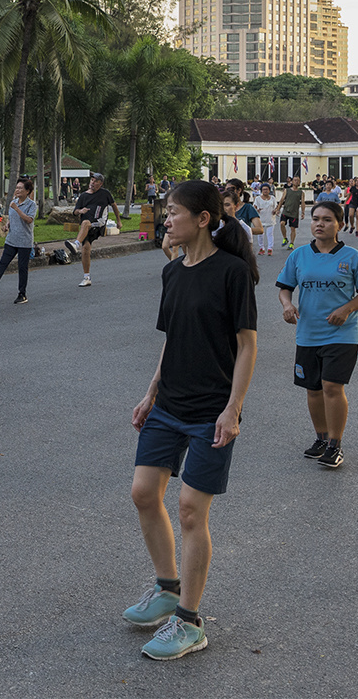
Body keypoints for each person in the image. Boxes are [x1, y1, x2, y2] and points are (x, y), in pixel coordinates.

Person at [122, 180, 258, 661]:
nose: (166, 220)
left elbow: (247, 344)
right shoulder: (173, 273)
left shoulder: (232, 272)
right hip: (169, 404)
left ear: (202, 218)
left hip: (211, 410)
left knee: (190, 511)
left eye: (174, 212)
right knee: (143, 493)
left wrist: (233, 407)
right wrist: (150, 391)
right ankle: (165, 589)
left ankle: (189, 621)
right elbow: (171, 339)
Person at [275, 201, 358, 470]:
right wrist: (287, 304)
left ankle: (335, 444)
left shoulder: (353, 257)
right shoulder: (299, 256)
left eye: (327, 219)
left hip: (343, 332)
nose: (320, 224)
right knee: (313, 388)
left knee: (332, 386)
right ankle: (320, 438)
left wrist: (347, 308)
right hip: (308, 332)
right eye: (316, 218)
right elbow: (285, 287)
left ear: (339, 225)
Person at [0, 177, 40, 303]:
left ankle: (22, 294)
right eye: (16, 188)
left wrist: (17, 209)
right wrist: (8, 225)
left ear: (27, 191)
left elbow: (29, 220)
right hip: (11, 239)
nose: (17, 190)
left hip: (24, 241)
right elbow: (11, 218)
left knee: (22, 268)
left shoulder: (31, 205)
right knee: (3, 262)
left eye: (20, 188)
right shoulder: (14, 201)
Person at [64, 174, 116, 287]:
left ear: (100, 184)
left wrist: (119, 221)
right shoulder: (83, 196)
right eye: (92, 180)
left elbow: (114, 205)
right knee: (86, 249)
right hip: (86, 225)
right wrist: (80, 211)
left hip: (99, 223)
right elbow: (75, 212)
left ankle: (76, 244)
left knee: (85, 223)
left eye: (96, 181)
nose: (93, 182)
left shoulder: (105, 193)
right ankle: (86, 277)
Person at [277, 178, 305, 248]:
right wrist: (278, 209)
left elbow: (303, 203)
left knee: (293, 228)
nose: (296, 181)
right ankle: (285, 238)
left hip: (294, 213)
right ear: (292, 182)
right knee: (282, 223)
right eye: (295, 180)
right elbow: (282, 200)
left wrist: (303, 212)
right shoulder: (287, 190)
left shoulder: (301, 192)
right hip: (286, 211)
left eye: (298, 180)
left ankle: (291, 243)